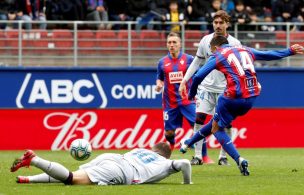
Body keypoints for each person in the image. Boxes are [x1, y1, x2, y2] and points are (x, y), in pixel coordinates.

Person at [180, 35, 304, 176]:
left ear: (214, 47)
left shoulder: (218, 54)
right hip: (251, 98)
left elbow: (197, 76)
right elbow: (268, 54)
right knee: (216, 123)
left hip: (231, 97)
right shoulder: (245, 49)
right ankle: (188, 143)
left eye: (211, 51)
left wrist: (191, 95)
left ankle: (238, 159)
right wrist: (289, 51)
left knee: (216, 129)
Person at [179, 10, 241, 166]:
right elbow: (197, 62)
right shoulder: (205, 40)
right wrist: (184, 80)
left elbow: (240, 67)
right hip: (206, 87)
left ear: (227, 24)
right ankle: (198, 156)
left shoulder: (235, 43)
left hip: (226, 89)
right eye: (215, 22)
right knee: (199, 119)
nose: (218, 25)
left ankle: (223, 157)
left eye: (221, 23)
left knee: (226, 123)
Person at [10, 142, 192, 185]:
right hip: (122, 170)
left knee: (72, 174)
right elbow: (185, 162)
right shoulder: (166, 163)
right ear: (166, 156)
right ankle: (35, 160)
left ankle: (28, 179)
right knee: (71, 179)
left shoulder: (141, 150)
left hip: (112, 157)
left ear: (153, 149)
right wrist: (186, 182)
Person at [156, 32, 202, 154]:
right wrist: (159, 83)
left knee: (197, 127)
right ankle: (171, 145)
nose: (171, 45)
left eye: (174, 42)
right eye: (169, 42)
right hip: (170, 102)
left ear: (180, 44)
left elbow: (199, 74)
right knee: (169, 132)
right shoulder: (162, 62)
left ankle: (204, 156)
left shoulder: (189, 59)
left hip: (187, 100)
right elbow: (160, 77)